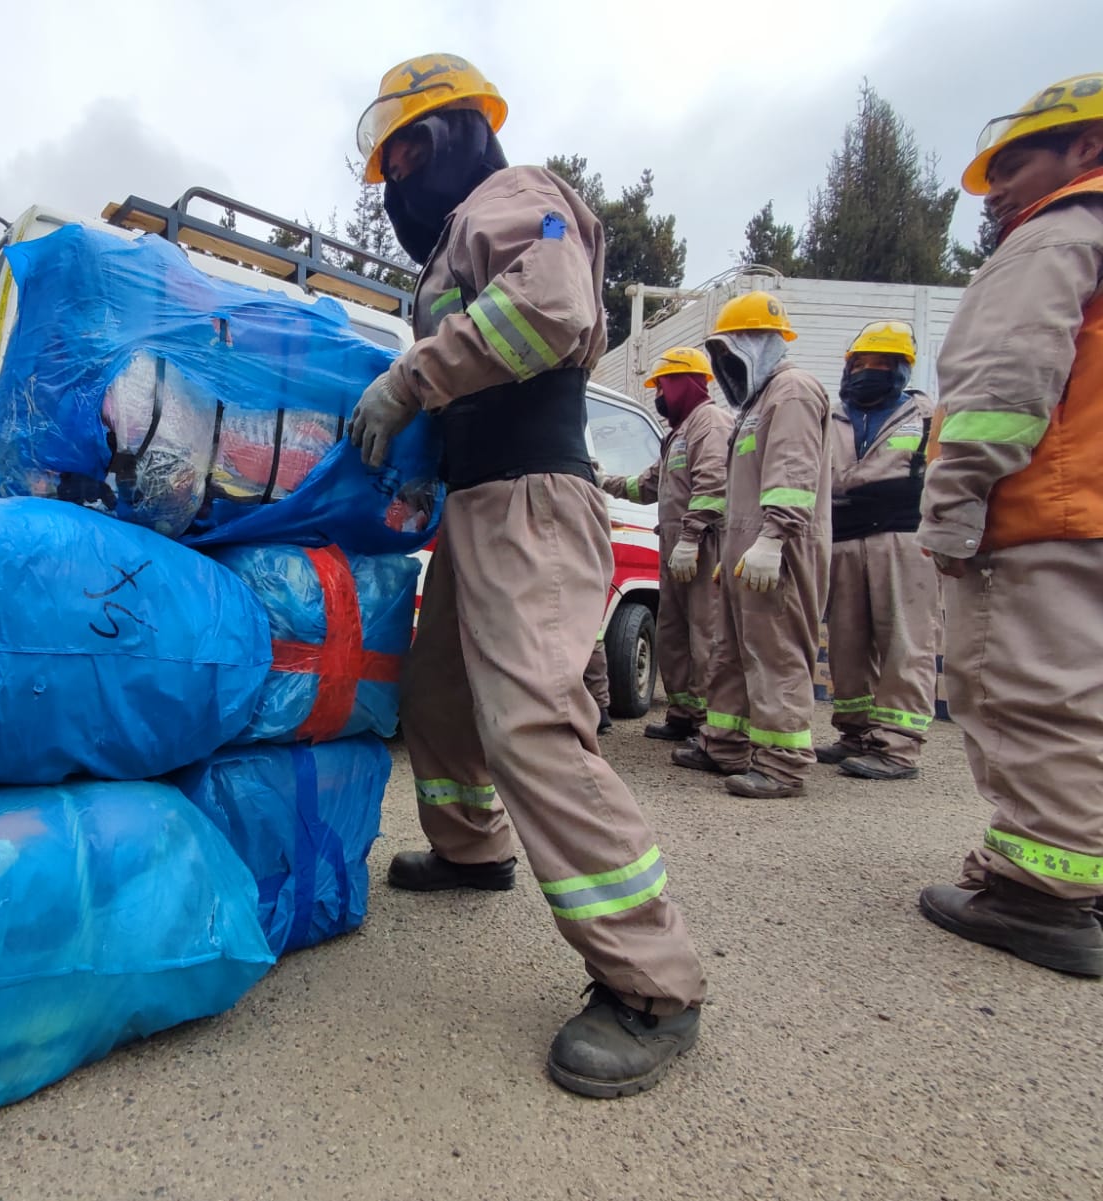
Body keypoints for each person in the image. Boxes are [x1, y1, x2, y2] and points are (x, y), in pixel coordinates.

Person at [347, 53, 706, 1096]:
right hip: (481, 500)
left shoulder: (517, 194)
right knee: (440, 699)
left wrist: (408, 380)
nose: (397, 175)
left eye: (408, 149)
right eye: (387, 160)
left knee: (533, 721)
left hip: (535, 497)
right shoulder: (466, 229)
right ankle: (469, 849)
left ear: (459, 133)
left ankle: (652, 981)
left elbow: (546, 310)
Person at [915, 73, 1103, 977]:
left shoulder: (1058, 237)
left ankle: (1041, 897)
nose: (997, 191)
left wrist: (953, 512)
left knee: (1034, 698)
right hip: (1089, 507)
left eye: (1015, 163)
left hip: (1049, 516)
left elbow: (999, 389)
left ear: (1088, 149)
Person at [671, 293, 832, 798]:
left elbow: (792, 473)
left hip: (778, 547)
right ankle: (725, 744)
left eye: (731, 349)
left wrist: (772, 538)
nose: (724, 364)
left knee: (776, 653)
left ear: (761, 342)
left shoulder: (793, 391)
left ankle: (783, 765)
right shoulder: (756, 405)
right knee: (731, 653)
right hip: (746, 549)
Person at [817, 322, 940, 782]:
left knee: (904, 642)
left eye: (881, 364)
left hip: (903, 540)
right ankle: (854, 733)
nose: (868, 371)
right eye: (861, 363)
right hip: (844, 539)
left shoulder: (926, 418)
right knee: (847, 644)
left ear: (902, 370)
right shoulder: (831, 418)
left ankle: (898, 747)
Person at [599, 347, 730, 741]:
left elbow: (714, 484)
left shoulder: (711, 424)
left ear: (688, 382)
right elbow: (649, 485)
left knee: (705, 633)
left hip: (703, 547)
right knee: (674, 632)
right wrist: (605, 481)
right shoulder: (679, 434)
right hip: (675, 549)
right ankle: (684, 713)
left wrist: (691, 537)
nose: (659, 395)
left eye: (663, 385)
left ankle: (709, 720)